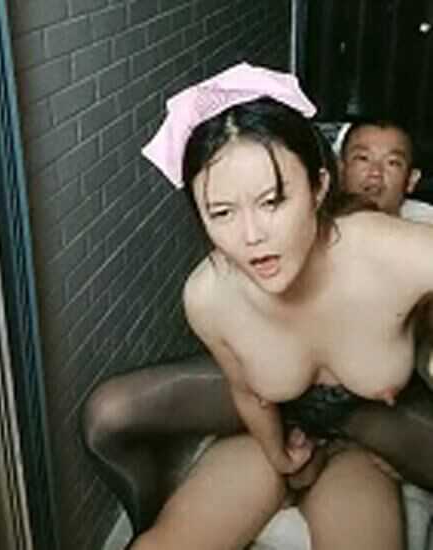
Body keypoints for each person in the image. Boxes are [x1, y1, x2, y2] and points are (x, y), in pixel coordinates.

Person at [85, 63, 433, 549]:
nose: (251, 237)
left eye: (272, 202)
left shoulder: (396, 252)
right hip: (270, 435)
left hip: (364, 447)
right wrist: (282, 458)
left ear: (319, 186)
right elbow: (248, 392)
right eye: (221, 212)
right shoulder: (208, 295)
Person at [339, 118, 433, 223]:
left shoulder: (426, 224)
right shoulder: (324, 223)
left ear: (411, 180)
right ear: (341, 170)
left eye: (392, 162)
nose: (376, 172)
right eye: (363, 158)